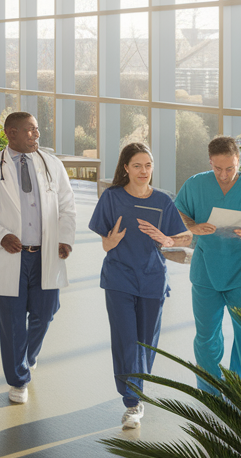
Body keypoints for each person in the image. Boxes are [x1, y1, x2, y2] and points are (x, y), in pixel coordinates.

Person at [0, 112, 75, 405]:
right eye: (29, 131)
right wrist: (0, 234)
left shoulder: (52, 164)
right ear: (10, 133)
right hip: (9, 255)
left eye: (37, 130)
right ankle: (18, 379)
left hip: (46, 254)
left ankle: (27, 356)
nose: (36, 135)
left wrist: (65, 237)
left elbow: (67, 205)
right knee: (13, 321)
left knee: (47, 310)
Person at [90, 142, 191, 429]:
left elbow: (184, 238)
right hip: (119, 278)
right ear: (126, 168)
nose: (143, 171)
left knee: (145, 343)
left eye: (148, 165)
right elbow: (105, 243)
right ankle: (132, 402)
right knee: (126, 340)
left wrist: (166, 239)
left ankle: (137, 391)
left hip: (152, 280)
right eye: (137, 165)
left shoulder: (162, 201)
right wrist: (112, 242)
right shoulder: (111, 198)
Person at [175, 135, 241, 392]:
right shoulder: (195, 184)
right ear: (210, 161)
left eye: (230, 168)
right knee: (206, 337)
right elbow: (181, 211)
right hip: (206, 272)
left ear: (238, 162)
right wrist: (193, 226)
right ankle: (210, 392)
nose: (224, 175)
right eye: (218, 168)